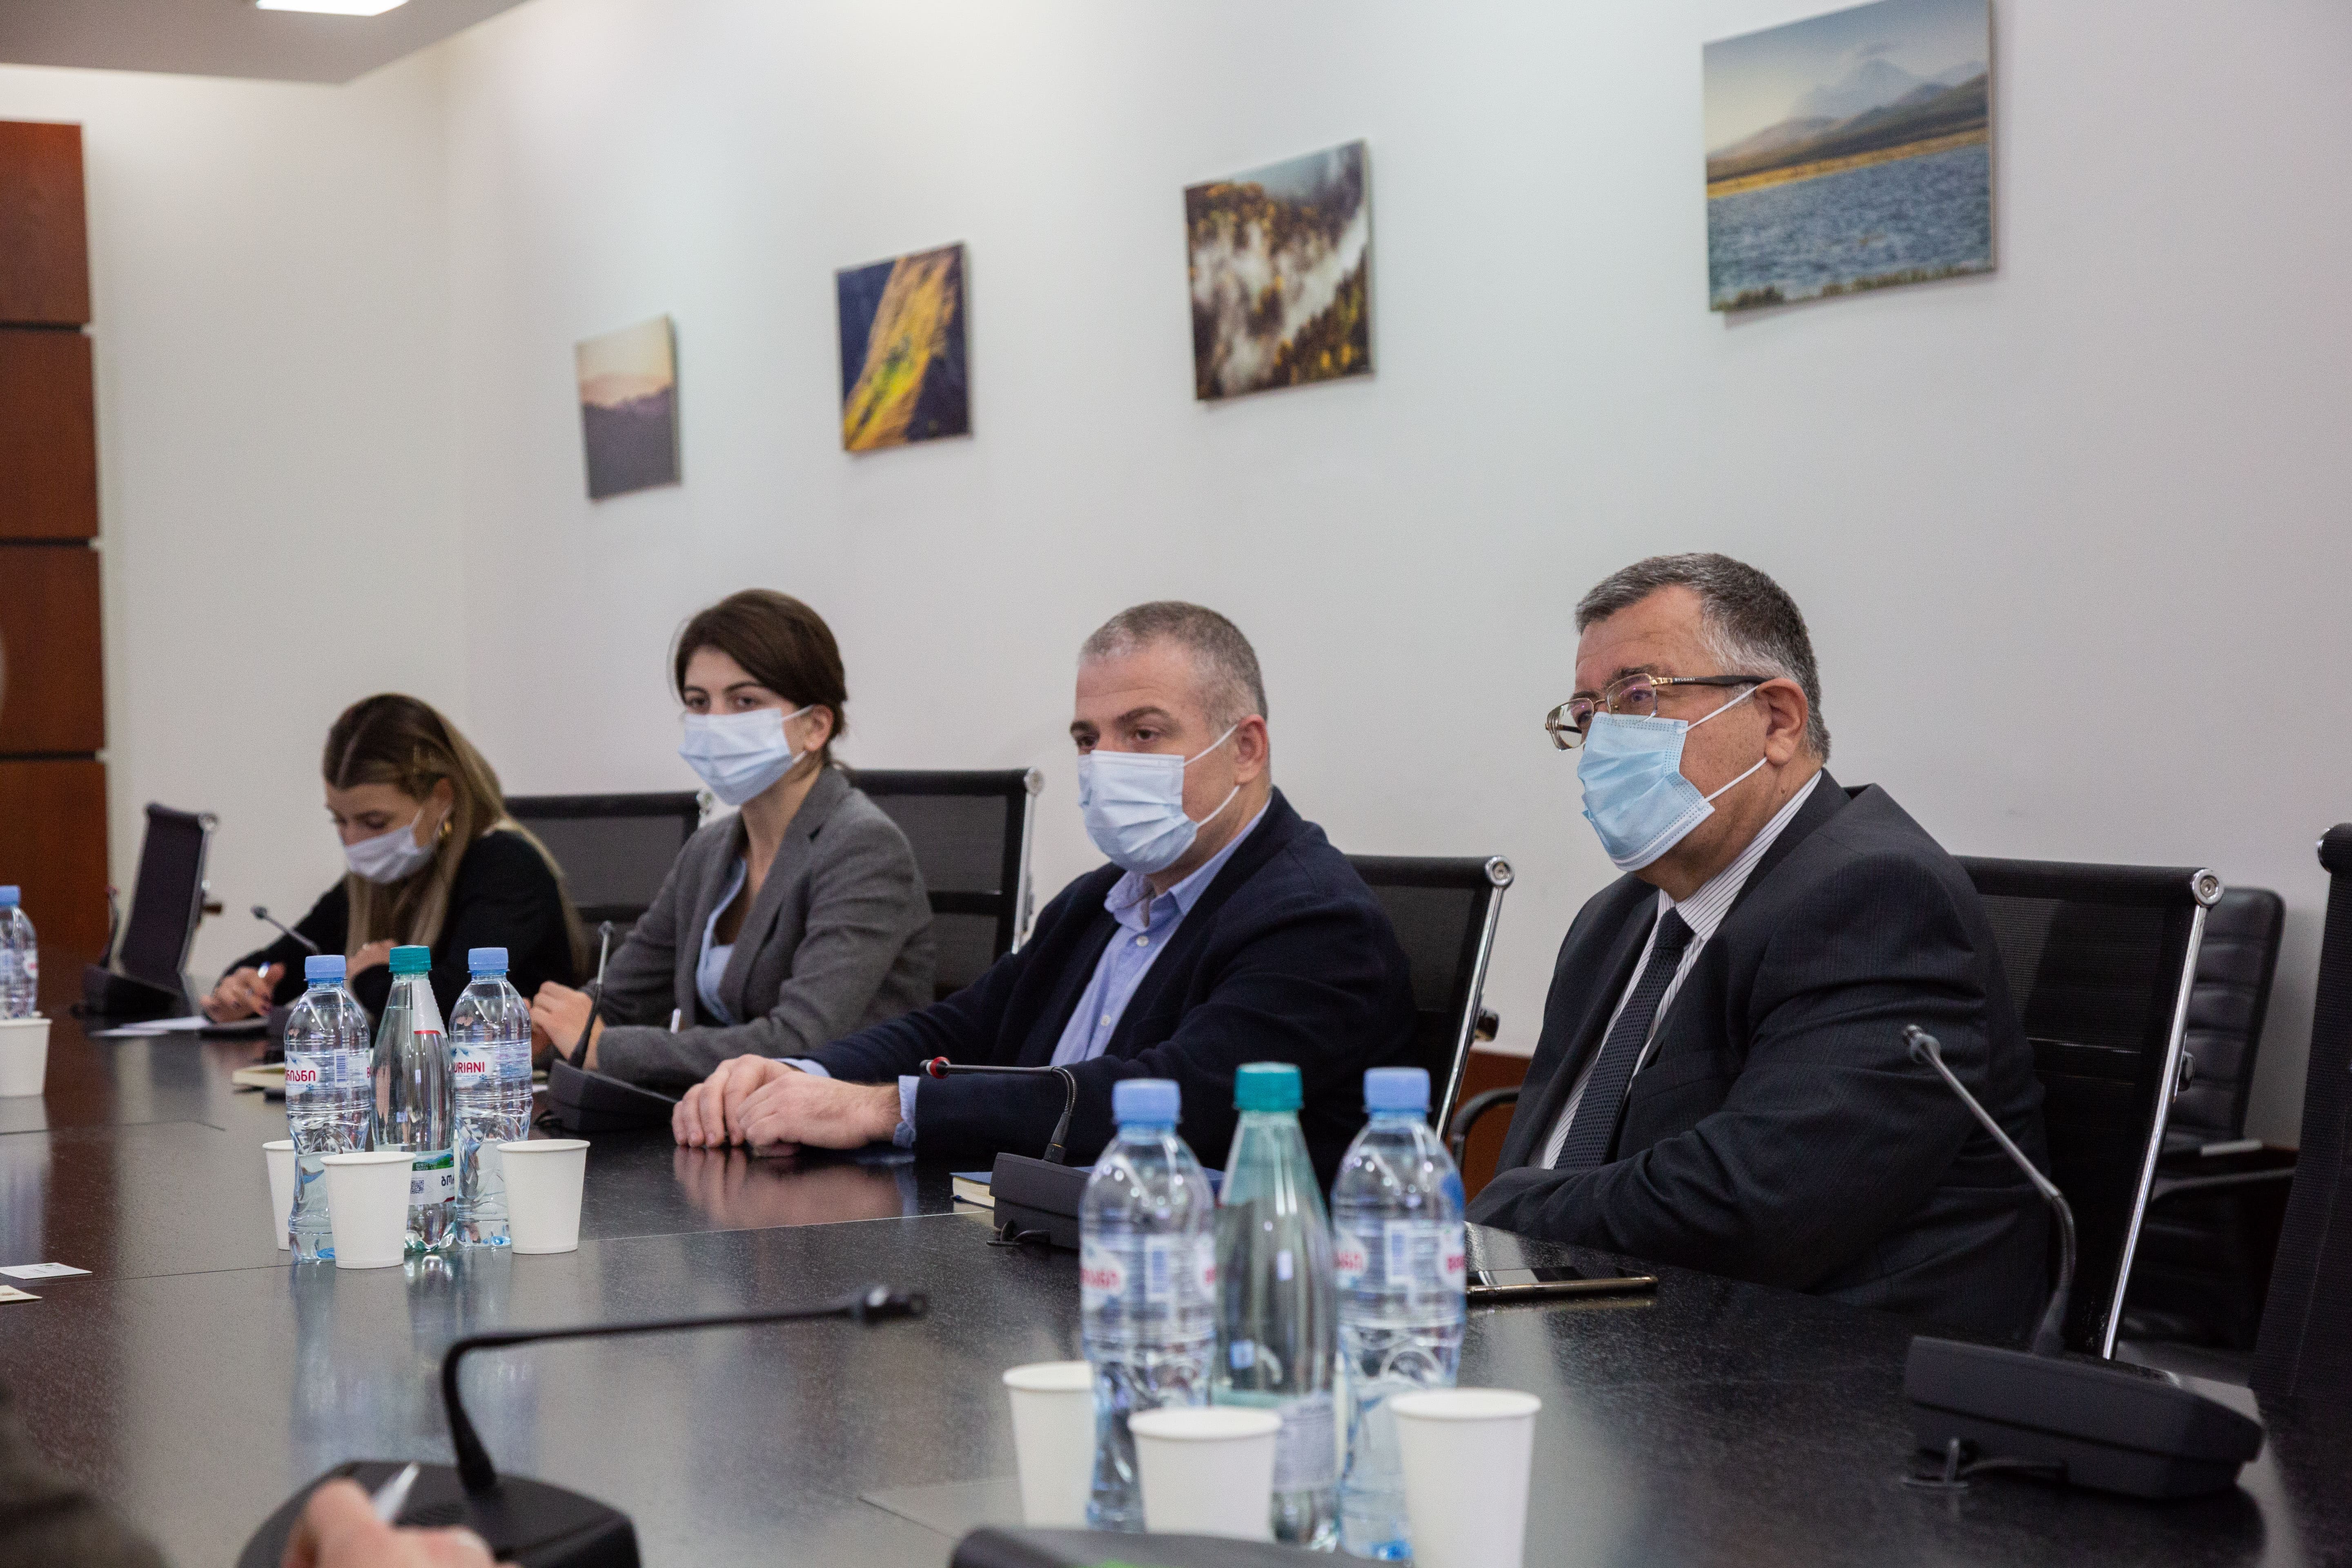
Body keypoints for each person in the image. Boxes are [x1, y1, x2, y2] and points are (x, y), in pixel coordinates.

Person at [1467, 554, 2050, 1341]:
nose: (1604, 741)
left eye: (1638, 698)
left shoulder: (1878, 898)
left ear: (1777, 721)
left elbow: (1754, 1204)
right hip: (1594, 1331)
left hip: (1820, 1373)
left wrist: (1500, 1213)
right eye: (1587, 714)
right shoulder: (1613, 922)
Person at [670, 601, 1417, 1183]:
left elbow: (1169, 1098)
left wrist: (879, 1108)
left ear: (1246, 749)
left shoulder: (1315, 921)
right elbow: (962, 1027)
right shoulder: (1102, 900)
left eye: (1144, 733)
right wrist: (804, 1074)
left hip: (1207, 1279)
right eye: (1088, 739)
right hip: (1021, 1240)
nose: (1104, 762)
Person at [528, 590, 934, 1090]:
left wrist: (602, 1047)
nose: (715, 724)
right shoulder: (709, 851)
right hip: (721, 1116)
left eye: (745, 702)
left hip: (847, 1122)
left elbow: (799, 1041)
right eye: (699, 703)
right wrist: (545, 1029)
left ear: (815, 726)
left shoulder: (864, 847)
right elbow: (621, 998)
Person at [202, 695, 586, 1022]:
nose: (353, 843)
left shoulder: (506, 866)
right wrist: (244, 989)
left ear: (441, 798)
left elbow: (459, 1007)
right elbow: (290, 962)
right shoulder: (381, 878)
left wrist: (372, 976)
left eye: (374, 822)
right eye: (339, 821)